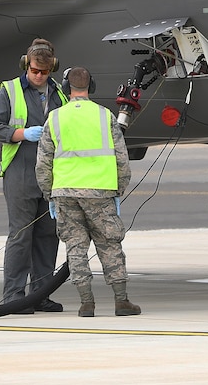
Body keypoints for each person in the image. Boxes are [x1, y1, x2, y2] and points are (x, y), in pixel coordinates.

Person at [36, 66, 139, 316]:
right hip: (100, 191)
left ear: (65, 87)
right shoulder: (105, 116)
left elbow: (43, 162)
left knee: (75, 246)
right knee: (110, 244)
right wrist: (119, 189)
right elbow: (121, 159)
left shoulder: (55, 118)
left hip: (65, 193)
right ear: (90, 87)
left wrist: (49, 193)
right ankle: (121, 300)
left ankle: (86, 303)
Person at [0, 37, 65, 312]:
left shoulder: (59, 94)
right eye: (34, 71)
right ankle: (15, 296)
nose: (38, 76)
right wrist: (21, 134)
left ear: (52, 68)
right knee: (20, 235)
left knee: (47, 236)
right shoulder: (9, 91)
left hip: (51, 176)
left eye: (44, 72)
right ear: (26, 65)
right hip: (20, 172)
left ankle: (40, 294)